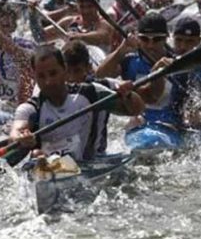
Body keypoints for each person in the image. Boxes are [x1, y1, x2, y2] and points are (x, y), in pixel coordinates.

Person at [9, 45, 144, 161]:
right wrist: (22, 138)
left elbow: (136, 109)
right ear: (35, 77)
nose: (48, 81)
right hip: (51, 168)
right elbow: (16, 133)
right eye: (41, 76)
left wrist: (128, 96)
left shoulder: (91, 93)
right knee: (36, 154)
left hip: (92, 163)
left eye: (53, 73)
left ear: (65, 70)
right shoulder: (31, 108)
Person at [95, 12, 177, 128]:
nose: (150, 45)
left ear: (166, 38)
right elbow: (100, 76)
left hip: (170, 125)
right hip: (139, 124)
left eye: (156, 39)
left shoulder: (177, 63)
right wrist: (121, 50)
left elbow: (154, 97)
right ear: (138, 38)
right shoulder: (129, 61)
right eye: (144, 39)